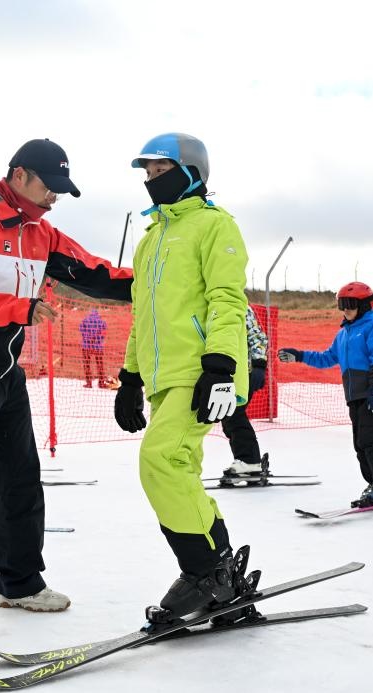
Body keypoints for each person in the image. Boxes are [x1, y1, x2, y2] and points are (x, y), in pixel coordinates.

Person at [0, 138, 133, 664]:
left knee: (19, 477)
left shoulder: (40, 232)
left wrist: (154, 281)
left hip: (4, 372)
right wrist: (17, 309)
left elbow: (93, 273)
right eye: (49, 186)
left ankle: (17, 582)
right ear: (18, 175)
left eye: (62, 189)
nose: (55, 197)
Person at [113, 132, 250, 622]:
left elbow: (227, 300)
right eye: (148, 173)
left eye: (161, 170)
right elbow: (142, 316)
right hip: (162, 377)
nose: (152, 179)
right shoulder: (151, 240)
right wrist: (130, 378)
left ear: (191, 173)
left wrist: (220, 366)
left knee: (160, 462)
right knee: (180, 469)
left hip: (200, 370)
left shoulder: (215, 225)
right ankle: (220, 571)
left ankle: (205, 572)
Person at [278, 282, 373, 506]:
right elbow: (326, 358)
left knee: (370, 439)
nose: (345, 310)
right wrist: (299, 356)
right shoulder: (343, 335)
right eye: (342, 304)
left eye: (350, 304)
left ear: (364, 305)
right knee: (360, 444)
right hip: (355, 397)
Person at [221, 303, 270, 477]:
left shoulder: (241, 307)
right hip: (224, 373)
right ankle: (246, 460)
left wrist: (259, 365)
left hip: (243, 374)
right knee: (228, 419)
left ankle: (249, 461)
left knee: (234, 416)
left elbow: (257, 336)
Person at [78, 309, 108, 388]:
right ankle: (101, 383)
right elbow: (103, 334)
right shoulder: (102, 322)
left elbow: (81, 330)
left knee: (87, 364)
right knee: (100, 365)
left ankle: (89, 383)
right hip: (98, 346)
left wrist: (88, 338)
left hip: (86, 346)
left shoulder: (85, 321)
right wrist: (96, 339)